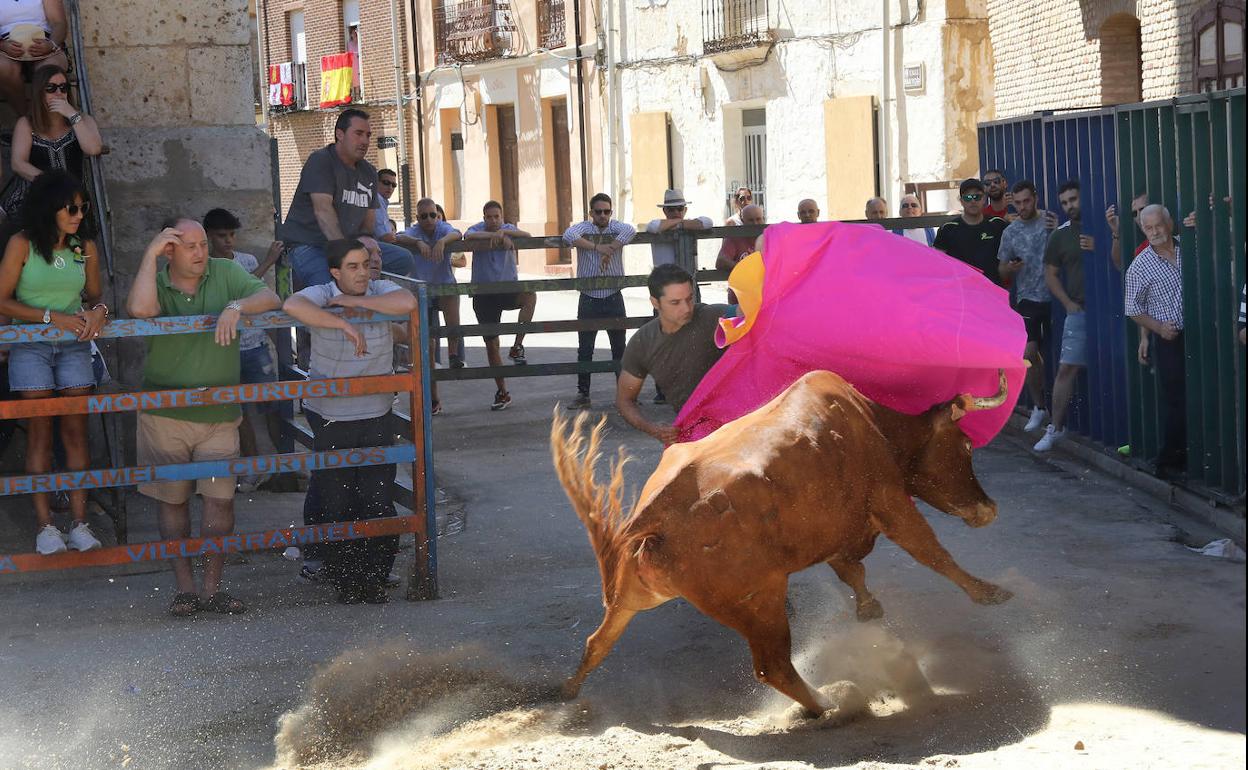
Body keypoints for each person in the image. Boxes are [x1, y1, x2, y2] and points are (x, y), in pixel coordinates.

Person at [125, 217, 282, 616]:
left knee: (219, 504)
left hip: (218, 413)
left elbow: (271, 299)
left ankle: (212, 590)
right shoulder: (156, 280)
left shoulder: (226, 272)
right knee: (172, 503)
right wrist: (149, 255)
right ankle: (185, 590)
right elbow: (140, 309)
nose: (200, 252)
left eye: (202, 245)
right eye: (190, 246)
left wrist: (235, 306)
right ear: (169, 250)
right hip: (164, 416)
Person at [283, 239, 417, 604]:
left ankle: (374, 577)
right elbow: (292, 304)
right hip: (331, 414)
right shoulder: (321, 291)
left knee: (377, 499)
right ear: (335, 272)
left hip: (376, 412)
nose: (362, 272)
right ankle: (346, 580)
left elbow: (408, 303)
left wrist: (356, 305)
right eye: (353, 267)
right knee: (337, 500)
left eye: (365, 265)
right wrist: (344, 325)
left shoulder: (379, 290)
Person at [0, 170, 106, 555]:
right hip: (31, 347)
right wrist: (51, 317)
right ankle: (45, 527)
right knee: (40, 433)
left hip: (75, 346)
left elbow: (96, 296)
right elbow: (2, 299)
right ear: (50, 208)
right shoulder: (22, 244)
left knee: (76, 433)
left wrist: (99, 311)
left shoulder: (84, 245)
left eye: (83, 207)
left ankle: (80, 524)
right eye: (71, 207)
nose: (78, 214)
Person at [280, 108, 414, 289]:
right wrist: (347, 254)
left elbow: (368, 222)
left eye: (368, 135)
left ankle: (371, 300)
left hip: (351, 246)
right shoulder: (321, 161)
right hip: (309, 245)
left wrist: (366, 244)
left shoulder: (368, 172)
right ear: (340, 134)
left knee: (403, 259)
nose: (365, 141)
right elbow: (323, 211)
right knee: (330, 285)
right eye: (358, 134)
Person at [203, 208, 285, 491]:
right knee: (238, 413)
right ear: (210, 237)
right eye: (221, 236)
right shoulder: (206, 265)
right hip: (225, 348)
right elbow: (234, 294)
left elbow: (256, 295)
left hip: (254, 344)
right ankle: (253, 468)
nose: (228, 241)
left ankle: (284, 466)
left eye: (231, 235)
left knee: (271, 407)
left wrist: (263, 266)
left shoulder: (246, 260)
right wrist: (268, 264)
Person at [617, 264, 732, 444]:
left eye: (689, 299)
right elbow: (625, 400)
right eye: (675, 302)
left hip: (736, 425)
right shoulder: (643, 343)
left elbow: (752, 311)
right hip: (693, 434)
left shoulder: (713, 316)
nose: (686, 308)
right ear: (655, 303)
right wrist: (652, 428)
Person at [1034, 179, 1096, 453]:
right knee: (1066, 368)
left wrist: (1100, 244)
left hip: (1113, 312)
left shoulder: (1106, 225)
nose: (1070, 206)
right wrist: (1067, 303)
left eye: (1074, 199)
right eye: (1065, 202)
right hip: (1080, 310)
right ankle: (1055, 428)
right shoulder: (1060, 236)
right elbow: (1050, 273)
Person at [1124, 205, 1186, 478]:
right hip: (1171, 338)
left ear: (1169, 223)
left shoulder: (1190, 246)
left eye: (1158, 225)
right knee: (1177, 400)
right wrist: (1158, 328)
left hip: (1205, 334)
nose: (1155, 231)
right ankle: (1170, 462)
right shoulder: (1140, 265)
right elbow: (1132, 308)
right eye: (1148, 228)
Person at [0, 64, 103, 221]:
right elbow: (18, 163)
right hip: (33, 197)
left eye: (63, 87)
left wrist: (72, 114)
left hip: (73, 201)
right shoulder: (26, 123)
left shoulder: (83, 120)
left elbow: (94, 148)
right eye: (51, 88)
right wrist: (53, 183)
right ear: (39, 92)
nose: (59, 93)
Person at [563, 193, 636, 410]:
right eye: (598, 212)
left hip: (613, 294)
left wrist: (611, 247)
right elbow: (568, 234)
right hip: (589, 297)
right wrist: (597, 247)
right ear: (591, 213)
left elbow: (630, 230)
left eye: (606, 211)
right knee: (585, 348)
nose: (603, 215)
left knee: (619, 348)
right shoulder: (584, 228)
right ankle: (583, 393)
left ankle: (624, 396)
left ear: (611, 212)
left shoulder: (617, 228)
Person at [463, 200, 537, 411]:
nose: (494, 220)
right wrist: (494, 236)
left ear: (502, 217)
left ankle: (517, 346)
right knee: (492, 345)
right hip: (484, 294)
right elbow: (467, 236)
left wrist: (505, 234)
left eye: (497, 216)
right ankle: (502, 391)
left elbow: (528, 236)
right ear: (484, 217)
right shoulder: (478, 229)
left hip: (508, 289)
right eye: (489, 217)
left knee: (530, 296)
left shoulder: (508, 228)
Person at [996, 180, 1053, 432]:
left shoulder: (1050, 222)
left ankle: (1056, 414)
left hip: (1056, 297)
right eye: (1017, 203)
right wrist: (1009, 268)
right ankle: (1039, 406)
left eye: (1026, 201)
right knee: (1028, 354)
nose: (1022, 207)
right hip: (1028, 298)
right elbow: (1001, 268)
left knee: (1057, 354)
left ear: (1035, 198)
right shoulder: (1011, 232)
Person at [395, 197, 464, 399]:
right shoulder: (414, 231)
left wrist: (441, 242)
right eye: (424, 216)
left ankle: (453, 354)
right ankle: (432, 395)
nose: (429, 219)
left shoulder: (443, 228)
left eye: (433, 215)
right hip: (422, 290)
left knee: (452, 314)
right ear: (418, 217)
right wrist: (418, 242)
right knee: (427, 340)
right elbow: (398, 236)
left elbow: (457, 233)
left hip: (443, 285)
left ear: (438, 215)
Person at [933, 178, 1008, 285]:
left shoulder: (998, 225)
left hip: (992, 291)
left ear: (984, 199)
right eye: (968, 197)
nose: (973, 201)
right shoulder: (948, 229)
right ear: (961, 201)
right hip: (962, 292)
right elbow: (938, 265)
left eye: (977, 197)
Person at [0, 0, 69, 115]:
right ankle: (26, 118)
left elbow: (59, 23)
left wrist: (51, 44)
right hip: (7, 46)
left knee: (49, 69)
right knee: (3, 68)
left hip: (45, 43)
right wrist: (2, 45)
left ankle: (45, 119)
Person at [716, 204, 764, 305]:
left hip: (764, 298)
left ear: (763, 219)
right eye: (751, 220)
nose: (755, 223)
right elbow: (721, 261)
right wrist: (745, 269)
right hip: (740, 301)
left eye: (758, 219)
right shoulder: (735, 237)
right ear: (743, 221)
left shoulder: (770, 237)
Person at [1106, 191, 1149, 272]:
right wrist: (1116, 232)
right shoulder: (1141, 250)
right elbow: (1121, 265)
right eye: (1134, 213)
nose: (1139, 216)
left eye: (1142, 209)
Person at [373, 168, 398, 242]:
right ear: (376, 182)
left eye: (393, 185)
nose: (390, 187)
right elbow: (386, 237)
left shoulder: (382, 201)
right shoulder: (377, 199)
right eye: (386, 183)